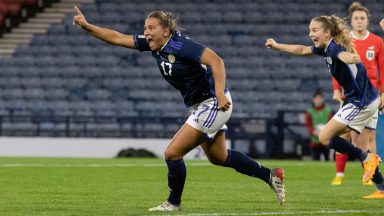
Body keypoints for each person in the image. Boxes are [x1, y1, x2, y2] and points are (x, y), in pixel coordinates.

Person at [73, 7, 285, 211]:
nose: (146, 32)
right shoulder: (155, 45)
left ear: (165, 31)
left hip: (213, 102)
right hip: (202, 105)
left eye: (151, 27)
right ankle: (270, 176)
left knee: (172, 153)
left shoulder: (180, 45)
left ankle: (173, 203)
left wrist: (219, 93)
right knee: (218, 157)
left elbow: (216, 61)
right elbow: (117, 37)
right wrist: (87, 26)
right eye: (145, 27)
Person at [265, 14, 383, 198]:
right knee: (351, 142)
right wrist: (278, 45)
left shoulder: (335, 48)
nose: (310, 33)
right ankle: (381, 186)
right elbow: (302, 49)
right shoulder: (326, 48)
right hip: (366, 99)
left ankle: (367, 158)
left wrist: (350, 58)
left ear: (327, 33)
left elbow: (342, 55)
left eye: (314, 30)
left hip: (361, 102)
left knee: (325, 137)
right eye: (310, 30)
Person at [331, 2, 384, 187]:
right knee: (342, 135)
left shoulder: (377, 42)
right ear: (351, 21)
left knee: (369, 135)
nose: (360, 21)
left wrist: (383, 92)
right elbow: (337, 68)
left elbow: (383, 69)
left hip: (371, 94)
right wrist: (336, 89)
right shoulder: (344, 42)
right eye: (356, 18)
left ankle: (371, 175)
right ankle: (339, 174)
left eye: (363, 18)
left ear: (368, 21)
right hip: (350, 94)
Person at [305, 89, 333, 161]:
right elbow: (308, 126)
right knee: (315, 160)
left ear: (323, 99)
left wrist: (326, 133)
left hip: (326, 140)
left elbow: (332, 125)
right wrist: (314, 132)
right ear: (313, 100)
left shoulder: (328, 111)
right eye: (316, 98)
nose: (318, 100)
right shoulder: (309, 112)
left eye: (320, 98)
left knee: (327, 160)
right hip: (315, 141)